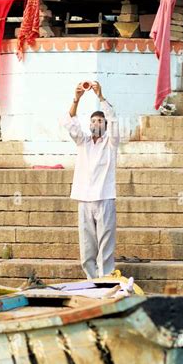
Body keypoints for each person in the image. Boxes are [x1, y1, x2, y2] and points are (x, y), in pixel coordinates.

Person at [63, 81, 120, 280]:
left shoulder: (111, 143)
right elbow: (70, 122)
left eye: (100, 122)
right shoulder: (83, 142)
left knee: (105, 243)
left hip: (104, 197)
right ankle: (91, 279)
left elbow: (113, 120)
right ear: (90, 125)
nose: (96, 124)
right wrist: (76, 99)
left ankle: (105, 277)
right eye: (93, 121)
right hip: (84, 199)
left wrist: (100, 96)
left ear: (104, 126)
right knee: (87, 245)